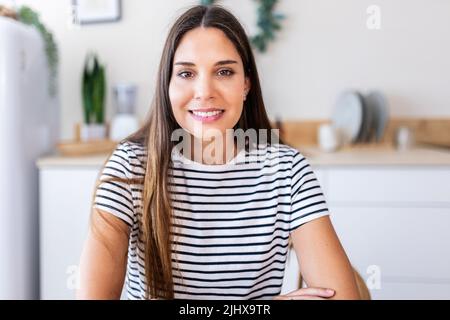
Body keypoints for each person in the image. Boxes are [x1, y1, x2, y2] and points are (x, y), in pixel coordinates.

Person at [77, 4, 360, 300]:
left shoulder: (287, 171)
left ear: (246, 83)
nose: (204, 91)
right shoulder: (130, 168)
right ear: (167, 84)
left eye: (224, 71)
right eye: (186, 73)